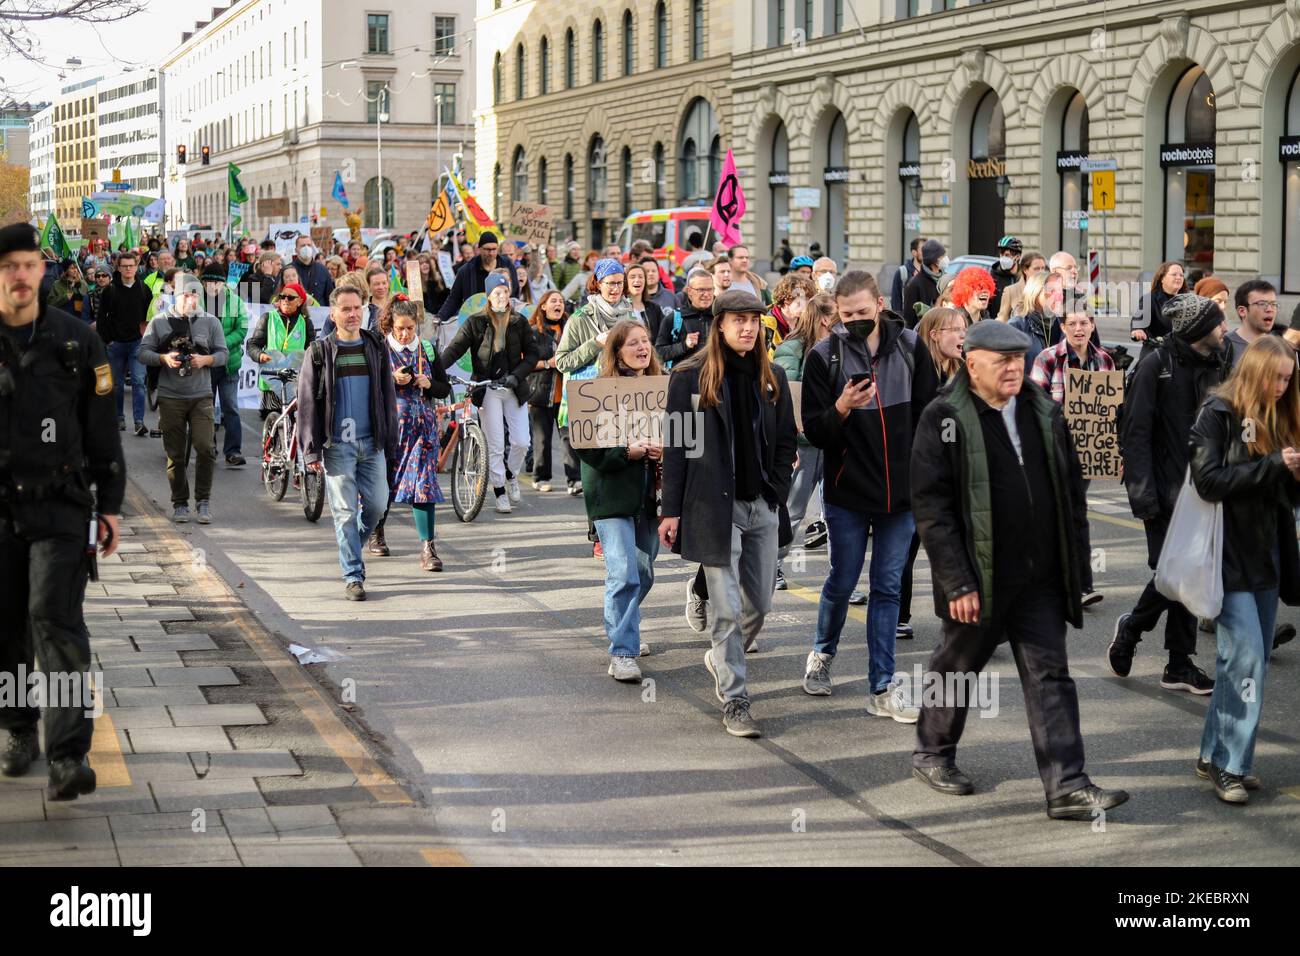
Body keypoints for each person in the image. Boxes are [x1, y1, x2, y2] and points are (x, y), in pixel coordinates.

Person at [909, 319, 1128, 818]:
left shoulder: (1043, 411)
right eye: (1001, 360)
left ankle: (1067, 785)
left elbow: (1071, 495)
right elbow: (931, 507)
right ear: (971, 363)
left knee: (1051, 675)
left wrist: (1078, 567)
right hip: (981, 577)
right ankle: (932, 751)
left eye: (1018, 358)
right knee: (958, 667)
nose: (1013, 367)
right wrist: (957, 579)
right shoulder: (944, 416)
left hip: (1041, 576)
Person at [0, 223, 124, 800]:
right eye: (8, 267)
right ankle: (18, 728)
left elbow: (102, 429)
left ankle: (69, 754)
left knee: (55, 619)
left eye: (28, 264)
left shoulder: (77, 342)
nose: (20, 275)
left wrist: (112, 504)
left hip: (60, 503)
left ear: (42, 270)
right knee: (7, 628)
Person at [799, 271, 938, 718]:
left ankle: (882, 687)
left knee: (887, 586)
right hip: (847, 492)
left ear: (879, 303)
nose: (855, 320)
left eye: (862, 311)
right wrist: (841, 407)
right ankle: (822, 652)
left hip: (902, 495)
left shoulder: (913, 348)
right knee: (842, 579)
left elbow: (930, 417)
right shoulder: (824, 357)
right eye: (845, 315)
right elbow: (816, 432)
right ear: (834, 315)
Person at [660, 289, 797, 738]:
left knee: (759, 604)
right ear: (719, 324)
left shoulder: (772, 376)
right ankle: (736, 700)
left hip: (761, 505)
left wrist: (776, 490)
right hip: (713, 507)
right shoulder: (690, 377)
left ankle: (721, 656)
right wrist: (672, 510)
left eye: (754, 320)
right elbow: (678, 446)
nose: (748, 327)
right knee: (725, 609)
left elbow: (785, 445)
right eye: (738, 319)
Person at [1189, 336, 1300, 803]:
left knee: (1238, 660)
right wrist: (1274, 466)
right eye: (1275, 378)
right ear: (1254, 373)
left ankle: (1213, 753)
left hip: (1267, 555)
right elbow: (1208, 480)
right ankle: (1232, 766)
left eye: (1288, 379)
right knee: (1249, 656)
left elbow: (1283, 498)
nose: (1281, 386)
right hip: (1225, 555)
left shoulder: (1279, 415)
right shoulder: (1218, 413)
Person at [1112, 293, 1229, 693]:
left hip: (1207, 490)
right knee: (1174, 575)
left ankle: (1178, 664)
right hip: (1165, 492)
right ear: (1198, 330)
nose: (1223, 327)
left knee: (1188, 573)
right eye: (1217, 322)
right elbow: (1136, 432)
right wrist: (1142, 494)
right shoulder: (1155, 365)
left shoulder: (1221, 361)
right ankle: (1132, 630)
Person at [297, 286, 399, 601]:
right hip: (337, 444)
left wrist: (391, 437)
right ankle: (353, 575)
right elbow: (306, 403)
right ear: (333, 313)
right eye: (346, 309)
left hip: (372, 443)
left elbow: (387, 395)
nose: (353, 314)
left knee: (378, 505)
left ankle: (351, 543)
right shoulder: (319, 351)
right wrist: (311, 448)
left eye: (358, 308)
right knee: (343, 512)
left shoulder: (375, 346)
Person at [577, 321, 663, 682]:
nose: (642, 347)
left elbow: (686, 435)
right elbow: (586, 446)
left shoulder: (662, 388)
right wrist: (627, 452)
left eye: (645, 342)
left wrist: (665, 450)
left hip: (649, 496)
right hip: (611, 495)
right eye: (633, 343)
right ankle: (623, 650)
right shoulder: (596, 391)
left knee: (643, 573)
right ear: (616, 351)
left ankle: (620, 627)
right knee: (624, 572)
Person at [1030, 307, 1114, 608]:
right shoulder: (1047, 358)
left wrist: (1113, 448)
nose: (1079, 328)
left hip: (1087, 451)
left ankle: (1080, 585)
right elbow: (1034, 406)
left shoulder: (1104, 359)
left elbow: (1111, 409)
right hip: (1053, 449)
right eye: (1072, 323)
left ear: (1092, 326)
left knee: (1075, 512)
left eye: (1085, 322)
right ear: (1063, 328)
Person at [440, 272, 539, 514]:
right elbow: (454, 349)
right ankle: (499, 491)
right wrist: (435, 369)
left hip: (514, 387)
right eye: (497, 292)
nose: (502, 297)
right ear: (488, 295)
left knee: (521, 442)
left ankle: (510, 474)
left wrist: (517, 375)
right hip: (487, 388)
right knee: (494, 444)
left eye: (505, 292)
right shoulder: (475, 322)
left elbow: (533, 354)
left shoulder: (519, 321)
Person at [138, 274, 229, 524]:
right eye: (187, 294)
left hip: (201, 394)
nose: (192, 299)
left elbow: (224, 353)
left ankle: (203, 501)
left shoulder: (210, 322)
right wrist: (163, 358)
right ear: (176, 295)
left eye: (196, 294)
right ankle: (179, 502)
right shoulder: (159, 322)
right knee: (176, 455)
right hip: (171, 396)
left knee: (205, 447)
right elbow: (143, 353)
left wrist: (206, 360)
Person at [373, 295, 451, 570]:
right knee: (382, 483)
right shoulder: (380, 349)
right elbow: (369, 388)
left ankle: (428, 547)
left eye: (410, 328)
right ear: (390, 326)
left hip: (423, 430)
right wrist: (391, 379)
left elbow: (445, 387)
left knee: (424, 485)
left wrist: (428, 383)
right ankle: (377, 531)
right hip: (390, 430)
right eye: (400, 328)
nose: (405, 334)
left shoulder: (427, 349)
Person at [773, 291, 837, 590]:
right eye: (839, 317)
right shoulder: (793, 348)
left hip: (835, 438)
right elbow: (784, 395)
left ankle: (842, 576)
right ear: (825, 319)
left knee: (839, 513)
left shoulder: (840, 347)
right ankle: (771, 563)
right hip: (805, 441)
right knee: (794, 508)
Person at [526, 290, 581, 493]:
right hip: (540, 393)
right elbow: (526, 362)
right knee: (542, 439)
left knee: (569, 438)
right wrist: (548, 363)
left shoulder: (571, 328)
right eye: (554, 301)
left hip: (567, 394)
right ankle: (540, 477)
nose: (559, 304)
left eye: (561, 301)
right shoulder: (533, 331)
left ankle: (574, 480)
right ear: (543, 306)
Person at [98, 250, 153, 436]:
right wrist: (108, 340)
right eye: (125, 266)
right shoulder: (110, 291)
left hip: (137, 343)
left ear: (137, 267)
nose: (128, 269)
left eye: (131, 266)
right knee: (116, 384)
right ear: (119, 268)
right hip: (116, 344)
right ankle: (119, 418)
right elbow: (101, 319)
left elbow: (150, 316)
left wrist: (147, 337)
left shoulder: (144, 289)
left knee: (138, 382)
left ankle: (139, 421)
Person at [200, 264, 249, 467]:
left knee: (231, 407)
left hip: (229, 363)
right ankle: (208, 447)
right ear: (203, 282)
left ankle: (233, 450)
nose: (214, 286)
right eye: (210, 281)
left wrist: (221, 344)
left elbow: (242, 329)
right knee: (205, 408)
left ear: (223, 283)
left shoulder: (235, 301)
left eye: (217, 282)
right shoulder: (197, 302)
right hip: (205, 363)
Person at [247, 281, 318, 420]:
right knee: (272, 423)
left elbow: (311, 351)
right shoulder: (268, 318)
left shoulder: (306, 323)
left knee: (293, 422)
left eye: (290, 297)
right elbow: (253, 345)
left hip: (294, 382)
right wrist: (260, 355)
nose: (285, 300)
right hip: (271, 381)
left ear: (300, 301)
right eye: (282, 296)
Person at [437, 231, 521, 321]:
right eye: (487, 249)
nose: (491, 253)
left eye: (494, 249)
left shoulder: (507, 264)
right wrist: (440, 317)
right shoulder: (466, 271)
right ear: (479, 249)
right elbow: (454, 298)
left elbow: (515, 292)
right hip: (476, 322)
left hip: (502, 319)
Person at [654, 268, 714, 367]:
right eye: (701, 290)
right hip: (684, 379)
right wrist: (684, 345)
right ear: (689, 291)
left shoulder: (721, 317)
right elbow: (658, 353)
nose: (706, 294)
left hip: (716, 379)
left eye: (710, 289)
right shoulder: (675, 318)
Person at [1130, 261, 1187, 360]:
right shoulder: (1150, 298)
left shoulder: (1188, 300)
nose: (1178, 277)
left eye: (1181, 275)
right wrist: (1138, 330)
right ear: (1162, 278)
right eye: (1174, 274)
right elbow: (1139, 319)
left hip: (1182, 356)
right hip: (1156, 355)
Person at [1009, 270, 1064, 360]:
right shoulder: (1017, 325)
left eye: (1060, 291)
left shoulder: (1061, 324)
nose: (1058, 296)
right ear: (1035, 293)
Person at [1225, 278, 1280, 363]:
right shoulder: (1224, 346)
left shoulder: (1279, 347)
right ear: (1242, 311)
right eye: (1262, 304)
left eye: (1274, 304)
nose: (1270, 309)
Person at [766, 273, 816, 359]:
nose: (807, 305)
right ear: (787, 299)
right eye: (804, 300)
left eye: (809, 300)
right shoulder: (765, 325)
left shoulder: (807, 323)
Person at [916, 306, 969, 387]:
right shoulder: (918, 374)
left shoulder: (965, 368)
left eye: (964, 330)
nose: (964, 335)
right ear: (934, 335)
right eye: (956, 329)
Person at [903, 238, 947, 326]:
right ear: (934, 260)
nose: (945, 259)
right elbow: (909, 320)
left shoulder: (946, 280)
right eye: (942, 256)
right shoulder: (915, 284)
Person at [996, 251, 1046, 321]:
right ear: (1025, 270)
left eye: (1043, 268)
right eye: (1036, 269)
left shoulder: (1048, 290)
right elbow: (1002, 319)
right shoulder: (1010, 291)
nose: (1041, 272)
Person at [293, 235, 334, 305]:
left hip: (319, 314)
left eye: (309, 245)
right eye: (303, 246)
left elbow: (330, 296)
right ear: (296, 250)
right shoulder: (289, 270)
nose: (306, 248)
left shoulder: (322, 270)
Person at [988, 236, 1023, 316]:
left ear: (1017, 257)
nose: (1003, 258)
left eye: (1007, 255)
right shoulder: (993, 276)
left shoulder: (1024, 277)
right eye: (1001, 254)